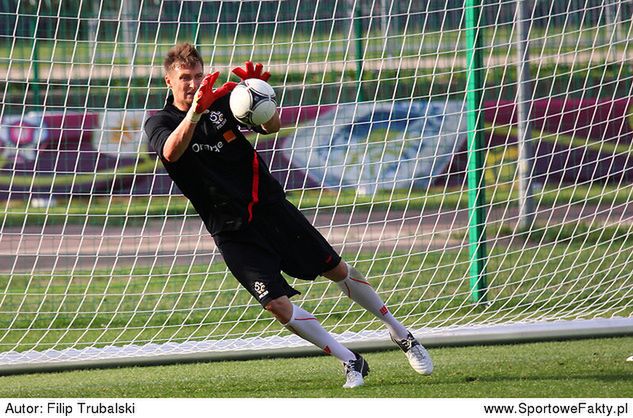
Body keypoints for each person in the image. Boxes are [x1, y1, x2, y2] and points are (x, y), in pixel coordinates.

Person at [144, 43, 433, 388]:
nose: (192, 84)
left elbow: (271, 128)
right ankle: (350, 360)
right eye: (184, 78)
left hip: (270, 208)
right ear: (168, 81)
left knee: (336, 270)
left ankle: (401, 334)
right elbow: (171, 152)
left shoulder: (223, 101)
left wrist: (259, 100)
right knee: (276, 305)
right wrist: (194, 113)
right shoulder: (160, 121)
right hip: (230, 229)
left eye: (197, 76)